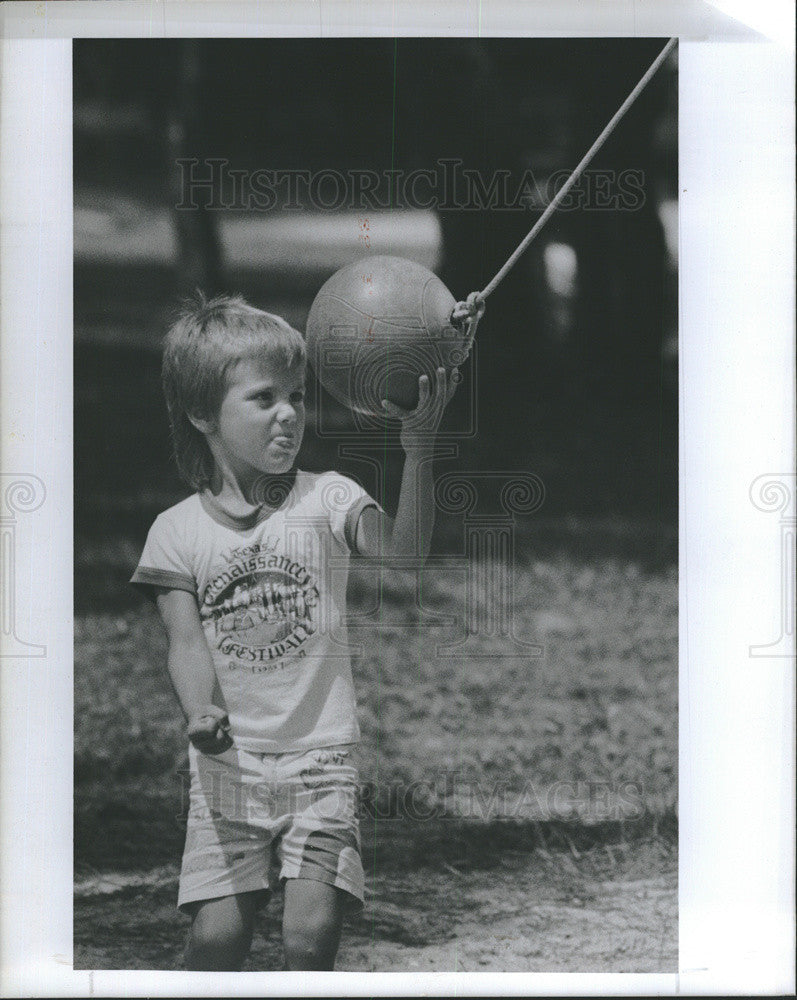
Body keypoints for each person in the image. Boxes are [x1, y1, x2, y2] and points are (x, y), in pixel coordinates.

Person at [130, 294, 455, 970]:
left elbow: (404, 553)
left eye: (297, 396)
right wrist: (199, 712)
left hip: (322, 757)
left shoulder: (328, 497)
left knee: (309, 938)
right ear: (201, 414)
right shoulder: (175, 531)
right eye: (263, 398)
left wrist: (418, 452)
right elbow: (185, 642)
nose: (289, 414)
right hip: (227, 769)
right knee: (218, 940)